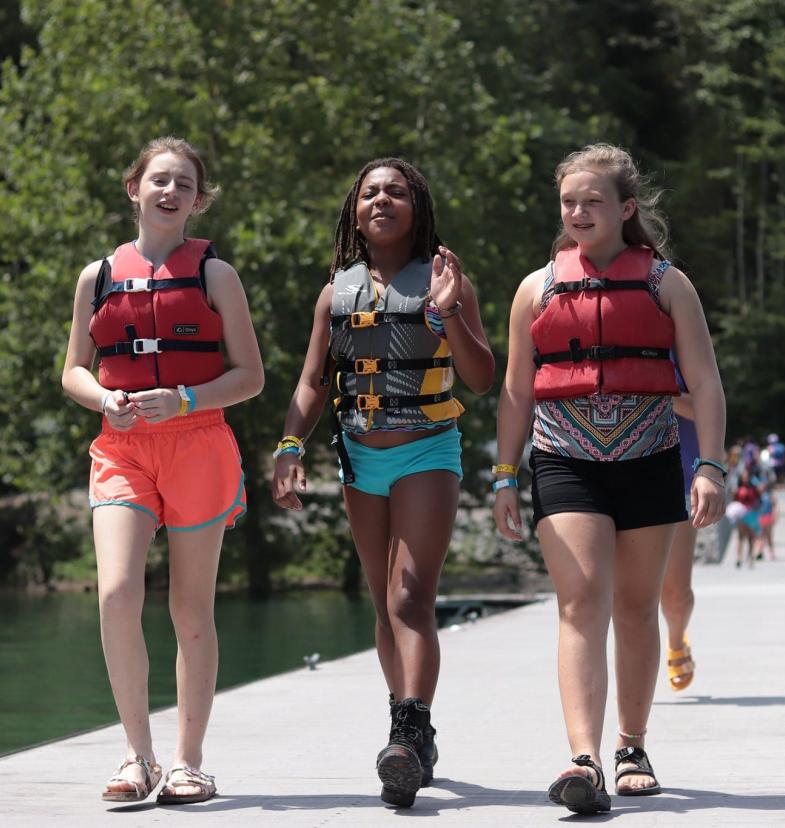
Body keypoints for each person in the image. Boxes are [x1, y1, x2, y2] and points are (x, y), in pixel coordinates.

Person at [492, 143, 726, 814]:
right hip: (564, 461)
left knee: (632, 606)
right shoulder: (536, 289)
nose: (578, 211)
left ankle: (632, 745)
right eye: (569, 201)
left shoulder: (666, 285)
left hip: (650, 458)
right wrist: (506, 475)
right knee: (580, 601)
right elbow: (515, 393)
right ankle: (583, 757)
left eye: (593, 201)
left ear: (626, 208)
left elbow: (706, 383)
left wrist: (708, 464)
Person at [271, 158, 494, 809]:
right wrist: (289, 444)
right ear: (356, 211)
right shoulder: (334, 294)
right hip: (359, 458)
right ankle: (411, 734)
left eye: (397, 191)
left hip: (427, 451)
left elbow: (481, 378)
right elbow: (313, 382)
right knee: (383, 603)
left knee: (409, 598)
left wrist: (450, 313)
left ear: (417, 208)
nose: (382, 200)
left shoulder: (447, 281)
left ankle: (408, 727)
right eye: (371, 192)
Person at [60, 136, 263, 804]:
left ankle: (188, 762)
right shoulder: (98, 278)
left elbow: (250, 377)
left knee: (188, 606)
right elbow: (73, 372)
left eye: (184, 184)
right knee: (116, 592)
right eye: (159, 181)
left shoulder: (216, 276)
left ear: (197, 201)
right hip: (122, 448)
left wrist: (184, 398)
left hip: (198, 442)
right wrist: (104, 399)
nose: (170, 192)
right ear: (134, 189)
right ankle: (136, 755)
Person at [660, 395, 698, 692]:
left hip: (677, 474)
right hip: (605, 469)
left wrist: (655, 387)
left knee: (674, 592)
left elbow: (704, 405)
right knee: (616, 589)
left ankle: (676, 637)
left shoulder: (684, 347)